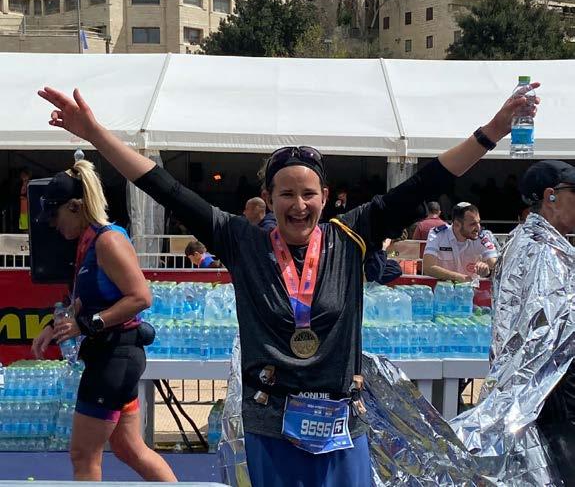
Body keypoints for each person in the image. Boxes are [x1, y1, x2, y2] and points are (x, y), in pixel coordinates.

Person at [38, 84, 538, 487]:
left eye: (308, 194)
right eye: (286, 194)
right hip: (271, 425)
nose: (299, 205)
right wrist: (97, 134)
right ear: (269, 197)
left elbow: (429, 181)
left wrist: (494, 130)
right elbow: (162, 185)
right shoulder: (241, 240)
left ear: (325, 196)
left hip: (341, 425)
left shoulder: (351, 235)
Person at [30, 159, 176, 483]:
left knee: (83, 455)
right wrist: (53, 327)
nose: (53, 225)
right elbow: (85, 302)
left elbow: (141, 297)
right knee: (128, 448)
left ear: (75, 206)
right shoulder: (89, 243)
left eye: (55, 215)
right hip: (113, 356)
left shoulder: (107, 241)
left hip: (115, 356)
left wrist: (87, 325)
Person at [451, 159, 575, 484]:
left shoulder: (533, 244)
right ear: (550, 196)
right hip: (553, 395)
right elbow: (539, 340)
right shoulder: (541, 252)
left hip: (543, 394)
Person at [422, 202, 498, 283]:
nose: (478, 228)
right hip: (444, 288)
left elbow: (496, 266)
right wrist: (459, 277)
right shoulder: (438, 234)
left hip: (471, 289)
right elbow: (428, 267)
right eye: (473, 224)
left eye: (478, 222)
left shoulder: (481, 237)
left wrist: (487, 270)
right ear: (457, 224)